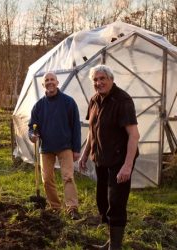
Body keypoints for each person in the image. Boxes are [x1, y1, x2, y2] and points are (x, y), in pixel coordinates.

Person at [78, 65, 140, 250]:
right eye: (95, 80)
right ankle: (111, 242)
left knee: (116, 202)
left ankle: (115, 246)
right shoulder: (95, 100)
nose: (99, 83)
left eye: (102, 78)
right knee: (102, 201)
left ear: (111, 79)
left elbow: (134, 135)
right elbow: (92, 130)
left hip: (120, 160)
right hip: (101, 158)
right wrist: (84, 153)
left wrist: (127, 166)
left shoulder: (122, 100)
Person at [28, 72, 81, 220]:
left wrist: (76, 149)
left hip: (65, 146)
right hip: (46, 148)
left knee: (68, 177)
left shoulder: (68, 102)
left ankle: (72, 208)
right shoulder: (38, 106)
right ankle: (55, 207)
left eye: (52, 80)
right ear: (43, 84)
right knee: (47, 178)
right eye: (47, 80)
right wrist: (32, 135)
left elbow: (75, 126)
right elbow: (31, 127)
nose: (50, 82)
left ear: (57, 83)